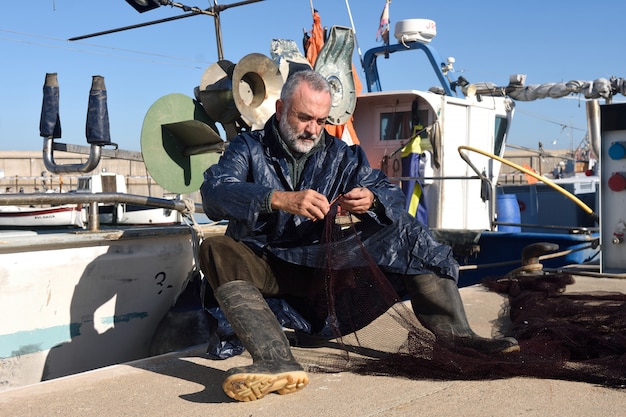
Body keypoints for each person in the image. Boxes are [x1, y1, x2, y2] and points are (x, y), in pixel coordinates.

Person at [199, 70, 519, 402]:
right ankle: (275, 359)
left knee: (406, 231)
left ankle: (459, 338)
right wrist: (277, 199)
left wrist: (373, 199)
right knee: (215, 248)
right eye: (304, 117)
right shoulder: (246, 147)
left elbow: (388, 194)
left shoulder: (342, 155)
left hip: (321, 274)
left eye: (321, 121)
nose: (312, 129)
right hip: (266, 267)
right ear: (280, 109)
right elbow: (214, 193)